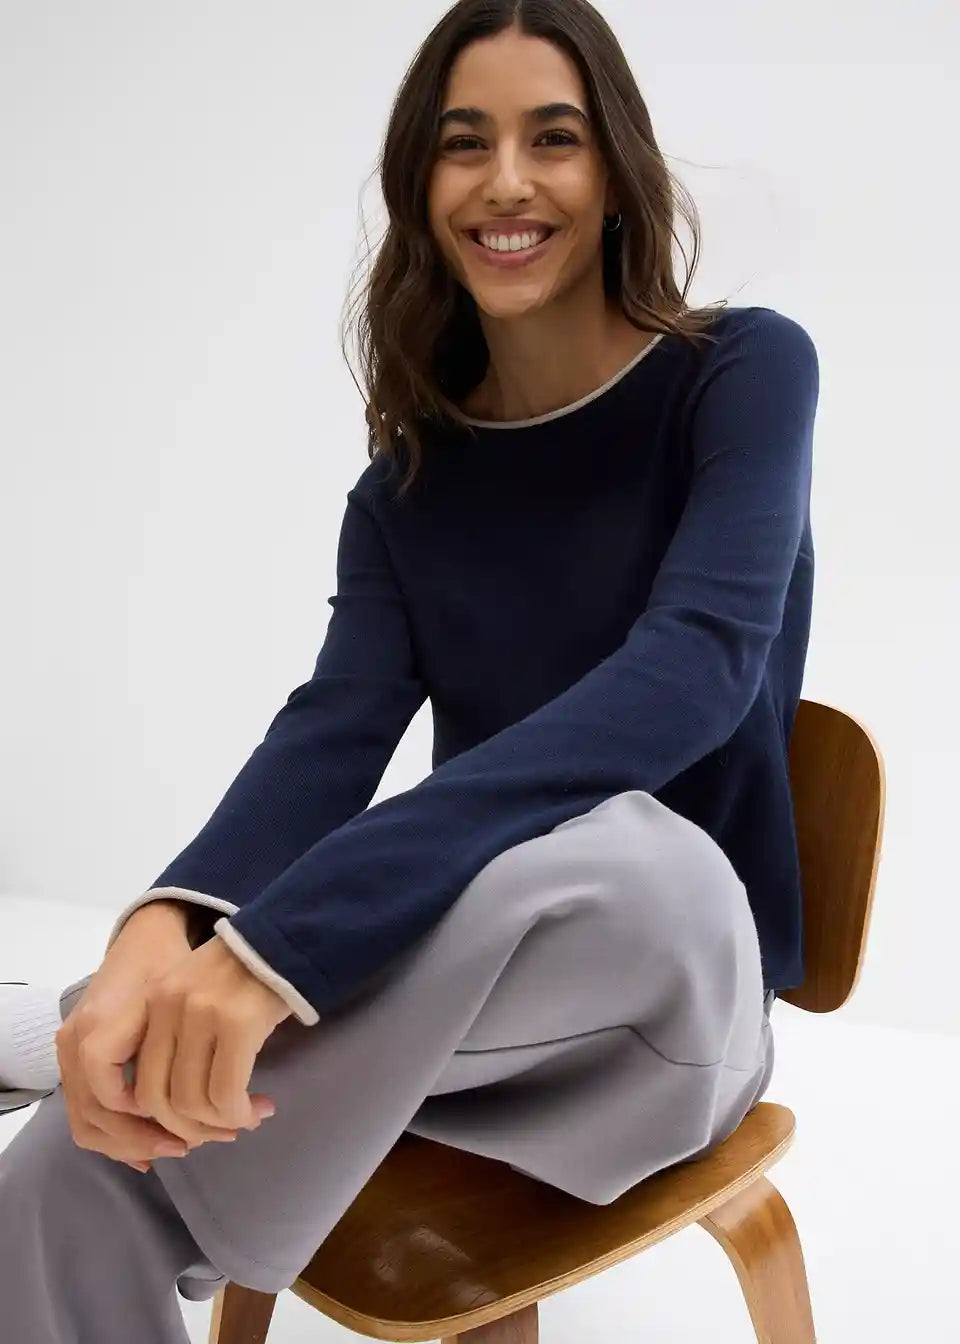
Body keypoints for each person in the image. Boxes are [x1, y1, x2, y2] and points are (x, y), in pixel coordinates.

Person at [0, 0, 818, 1338]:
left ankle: (76, 1025)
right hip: (442, 1035)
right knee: (67, 1169)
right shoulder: (404, 494)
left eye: (553, 139)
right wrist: (161, 931)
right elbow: (328, 736)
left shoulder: (739, 372)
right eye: (464, 143)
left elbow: (692, 672)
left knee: (618, 851)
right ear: (419, 189)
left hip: (668, 1001)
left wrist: (272, 954)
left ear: (616, 172)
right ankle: (109, 1028)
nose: (507, 180)